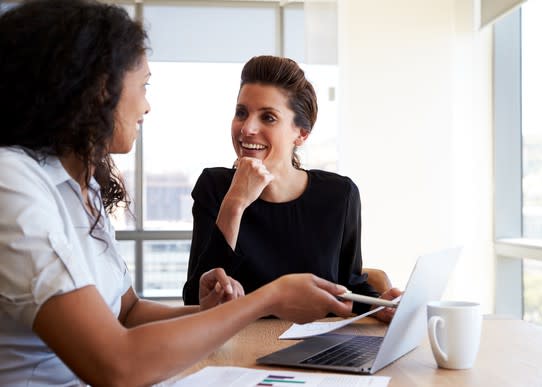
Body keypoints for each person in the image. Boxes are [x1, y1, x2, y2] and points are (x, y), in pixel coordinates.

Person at [0, 1, 356, 385]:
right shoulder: (12, 182)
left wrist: (211, 311)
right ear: (96, 90)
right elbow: (114, 365)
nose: (147, 105)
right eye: (143, 86)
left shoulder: (80, 189)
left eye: (267, 117)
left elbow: (128, 312)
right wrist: (267, 299)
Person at [183, 55, 401, 321]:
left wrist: (377, 305)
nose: (248, 128)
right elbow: (196, 300)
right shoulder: (214, 188)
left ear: (301, 134)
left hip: (318, 350)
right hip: (240, 351)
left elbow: (349, 285)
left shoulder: (339, 195)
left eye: (268, 117)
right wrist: (236, 202)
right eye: (242, 112)